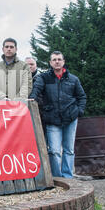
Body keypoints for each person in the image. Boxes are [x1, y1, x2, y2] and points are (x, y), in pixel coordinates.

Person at [29, 51, 87, 179]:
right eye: (54, 59)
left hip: (70, 118)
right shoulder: (44, 78)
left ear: (63, 61)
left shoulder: (73, 79)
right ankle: (57, 178)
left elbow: (82, 97)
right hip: (52, 119)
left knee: (69, 150)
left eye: (59, 59)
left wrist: (79, 111)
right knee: (54, 151)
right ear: (50, 62)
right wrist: (31, 98)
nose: (57, 61)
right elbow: (36, 89)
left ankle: (68, 177)